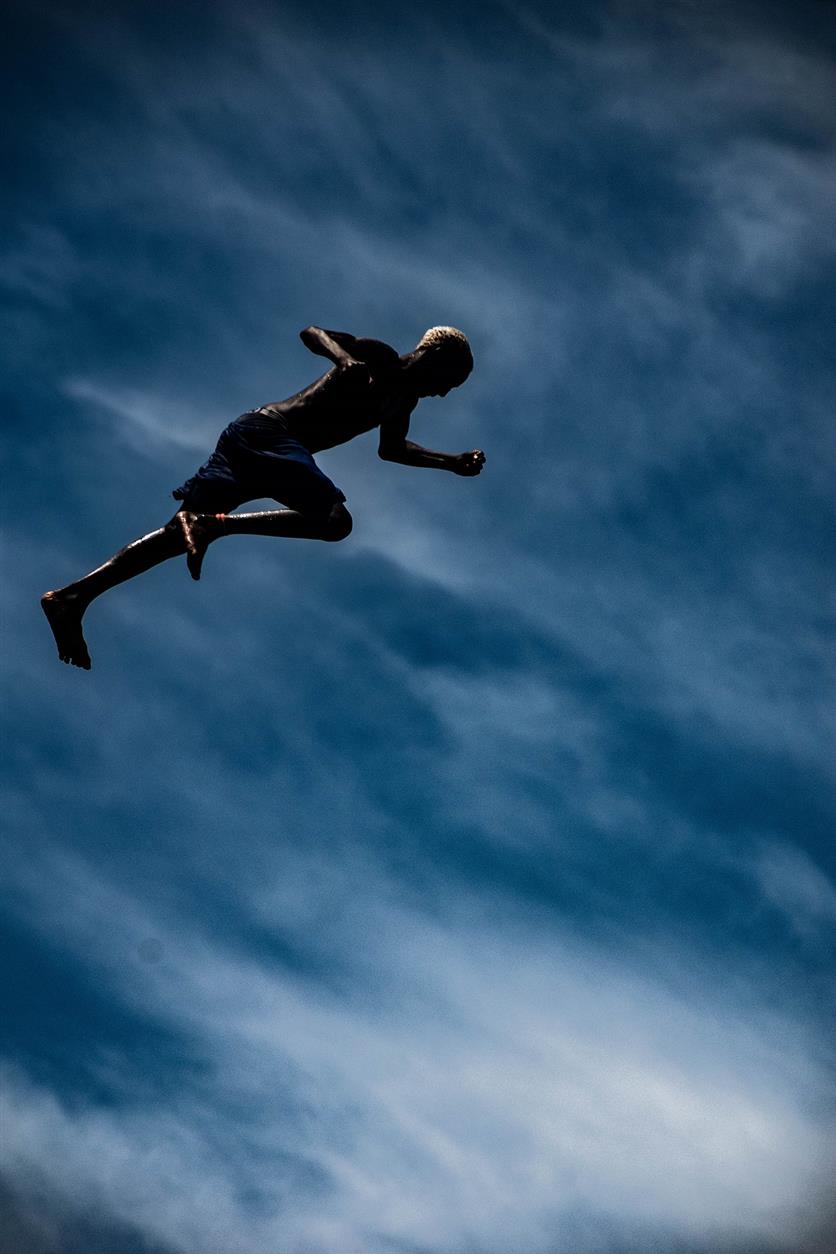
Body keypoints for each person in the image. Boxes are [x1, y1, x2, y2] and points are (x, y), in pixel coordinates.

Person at [41, 325, 485, 669]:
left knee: (174, 538)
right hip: (267, 432)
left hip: (261, 448)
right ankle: (215, 525)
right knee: (335, 521)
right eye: (451, 379)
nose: (445, 391)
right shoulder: (379, 356)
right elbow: (313, 332)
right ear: (435, 354)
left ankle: (72, 598)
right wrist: (343, 359)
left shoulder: (403, 404)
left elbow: (393, 449)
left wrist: (452, 461)